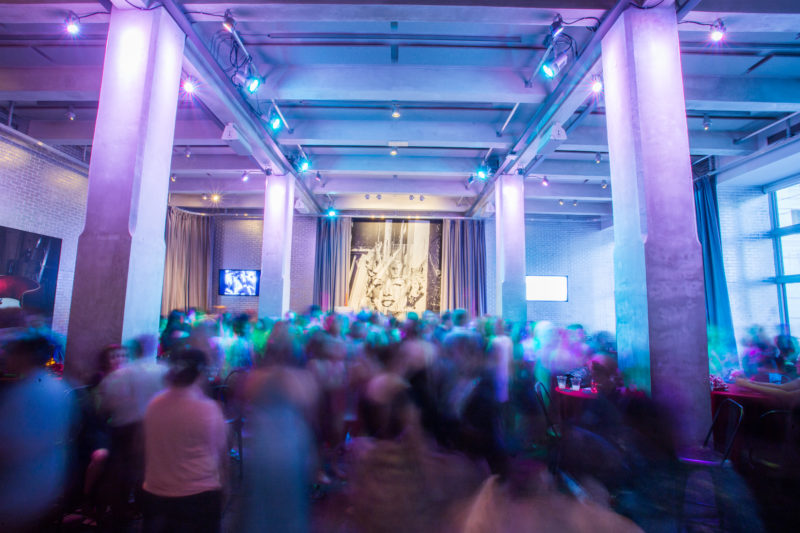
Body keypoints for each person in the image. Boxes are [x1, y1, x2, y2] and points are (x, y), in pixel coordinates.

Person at [141, 348, 228, 533]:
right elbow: (221, 454)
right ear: (201, 373)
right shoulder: (207, 409)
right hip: (197, 495)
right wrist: (225, 487)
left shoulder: (154, 404)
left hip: (156, 492)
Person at [0, 331, 73, 532]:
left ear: (25, 356)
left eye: (11, 352)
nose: (5, 356)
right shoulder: (53, 387)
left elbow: (14, 443)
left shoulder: (31, 391)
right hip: (42, 483)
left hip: (21, 488)